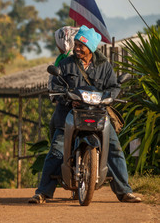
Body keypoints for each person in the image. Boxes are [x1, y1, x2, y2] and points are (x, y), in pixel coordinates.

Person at [29, 25, 141, 204]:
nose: (77, 48)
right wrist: (67, 99)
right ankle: (43, 192)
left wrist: (109, 98)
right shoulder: (66, 64)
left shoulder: (104, 66)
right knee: (57, 150)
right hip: (69, 114)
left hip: (98, 113)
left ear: (91, 48)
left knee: (115, 149)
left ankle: (125, 191)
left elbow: (114, 86)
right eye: (76, 44)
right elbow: (56, 86)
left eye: (81, 45)